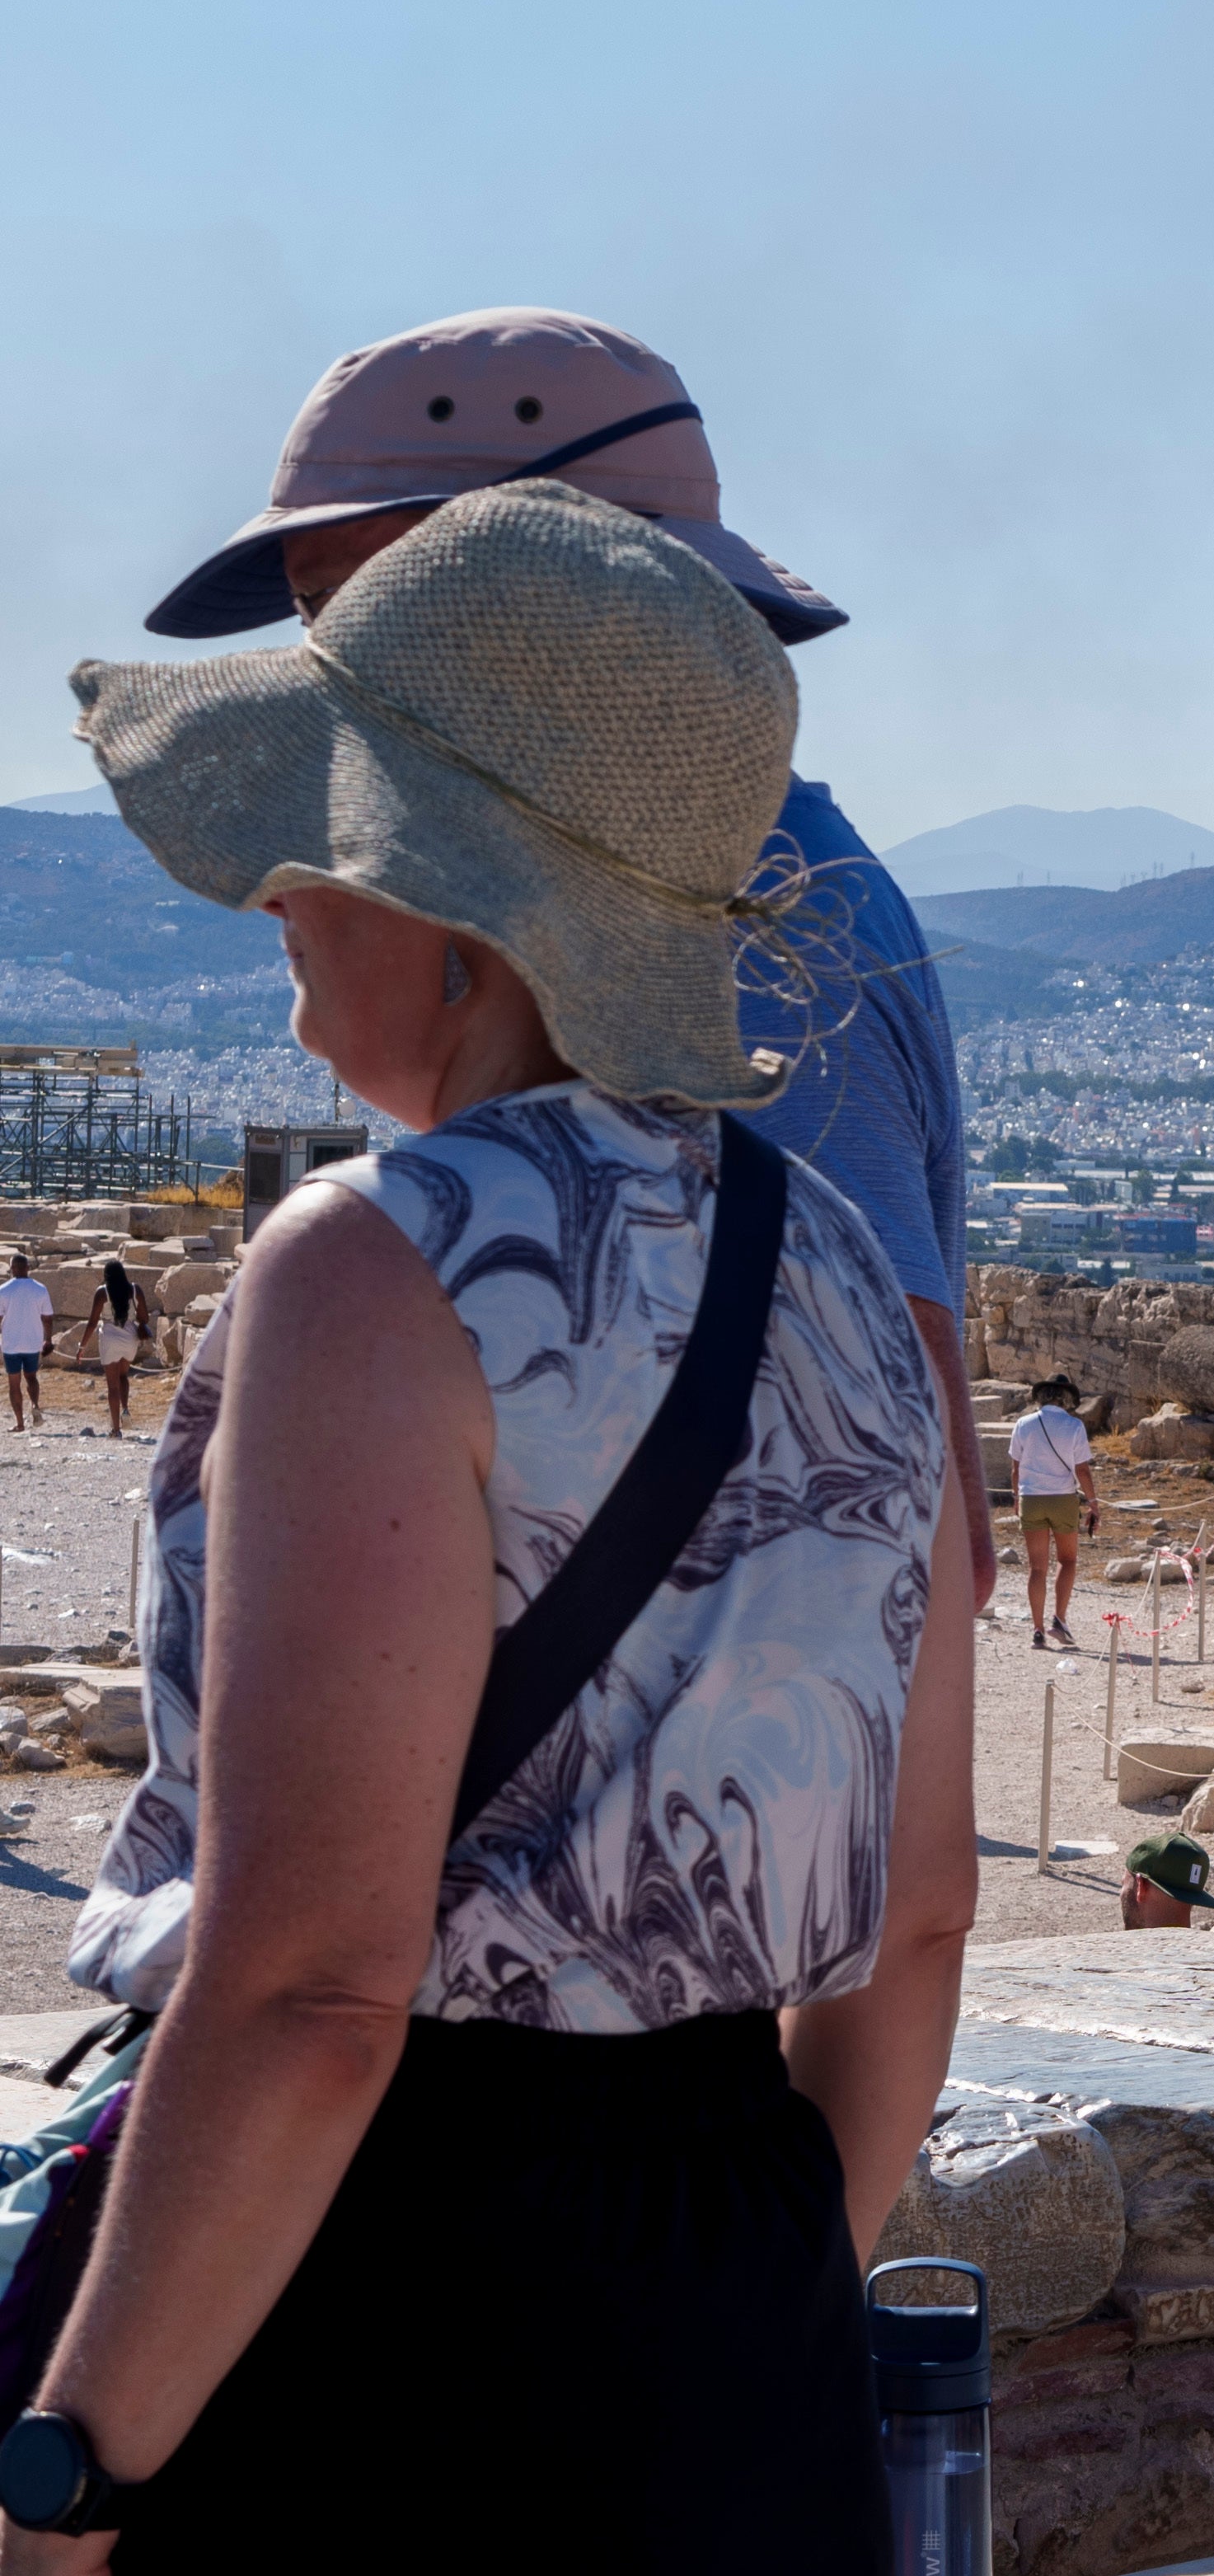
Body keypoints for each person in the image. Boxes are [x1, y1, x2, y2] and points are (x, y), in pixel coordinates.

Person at [0, 483, 973, 2576]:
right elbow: (921, 1922)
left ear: (453, 907)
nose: (276, 908)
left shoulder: (375, 1269)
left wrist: (58, 2492)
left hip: (370, 2320)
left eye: (317, 849)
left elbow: (317, 1986)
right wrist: (719, 2299)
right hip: (741, 2295)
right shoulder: (851, 1268)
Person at [140, 307, 991, 1633]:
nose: (321, 662)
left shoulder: (729, 922)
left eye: (343, 606)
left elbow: (896, 1526)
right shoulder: (722, 874)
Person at [1010, 1374, 1100, 1648]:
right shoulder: (1074, 1426)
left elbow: (1015, 1468)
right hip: (1062, 1498)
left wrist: (1017, 1498)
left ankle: (1037, 1630)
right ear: (1067, 1398)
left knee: (1037, 1567)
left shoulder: (1023, 1424)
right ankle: (1059, 1620)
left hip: (1031, 1498)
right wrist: (1093, 1502)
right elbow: (1082, 1469)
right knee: (1068, 1560)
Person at [90, 1260, 143, 1438]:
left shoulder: (102, 1292)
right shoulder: (135, 1289)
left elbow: (92, 1321)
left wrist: (82, 1346)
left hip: (110, 1338)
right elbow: (145, 1316)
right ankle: (125, 1410)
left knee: (112, 1387)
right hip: (130, 1338)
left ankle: (115, 1430)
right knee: (123, 1375)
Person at [0, 1256, 40, 1435]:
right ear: (27, 1267)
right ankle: (35, 1405)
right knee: (31, 1377)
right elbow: (47, 1317)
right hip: (33, 1342)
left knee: (14, 1383)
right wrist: (47, 1340)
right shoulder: (40, 1289)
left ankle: (19, 1423)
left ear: (12, 1268)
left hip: (11, 1343)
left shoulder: (3, 1290)